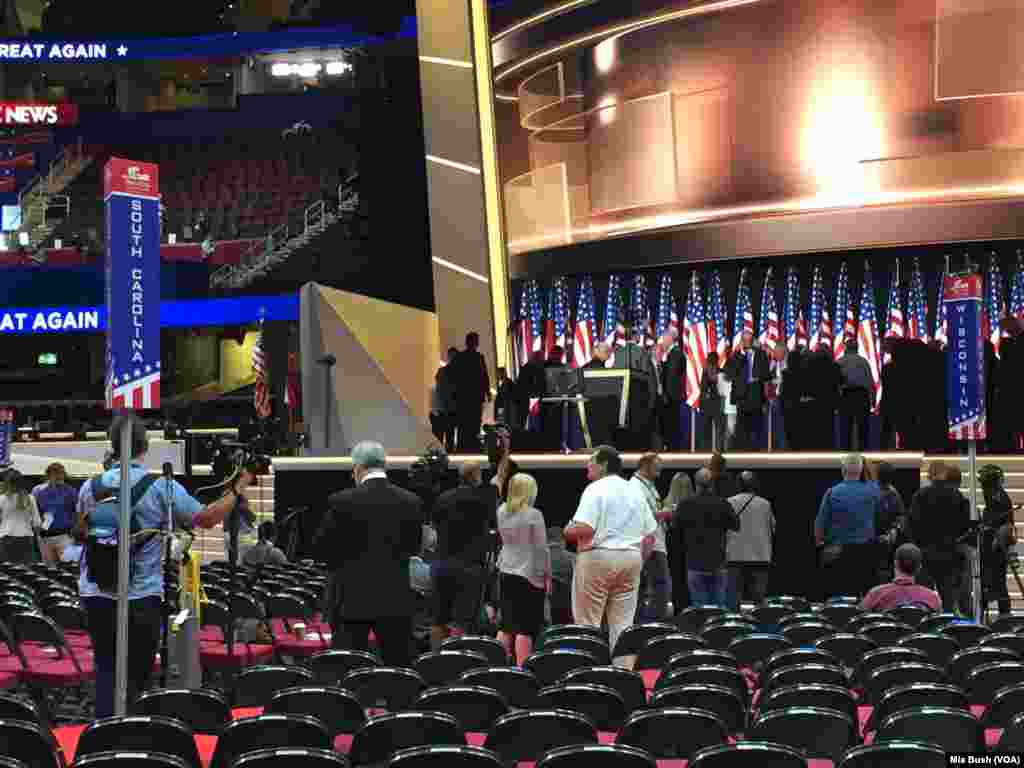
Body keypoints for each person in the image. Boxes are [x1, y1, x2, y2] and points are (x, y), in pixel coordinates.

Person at [76, 412, 252, 718]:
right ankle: (138, 734)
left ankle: (105, 735)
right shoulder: (161, 487)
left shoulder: (88, 488)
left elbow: (80, 532)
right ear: (145, 447)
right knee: (140, 674)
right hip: (141, 595)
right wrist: (238, 489)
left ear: (112, 445)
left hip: (96, 592)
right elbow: (208, 518)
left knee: (105, 667)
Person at [314, 441, 424, 665]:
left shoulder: (341, 501)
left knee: (348, 669)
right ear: (384, 465)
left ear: (357, 468)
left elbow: (321, 549)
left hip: (351, 601)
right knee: (399, 671)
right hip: (396, 599)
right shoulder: (411, 502)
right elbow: (414, 547)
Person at [564, 445, 656, 660]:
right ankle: (623, 676)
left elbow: (585, 528)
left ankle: (587, 672)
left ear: (603, 465)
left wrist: (566, 530)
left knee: (587, 623)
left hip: (598, 557)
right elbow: (650, 536)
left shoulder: (595, 488)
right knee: (623, 626)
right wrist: (638, 561)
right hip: (631, 558)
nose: (588, 465)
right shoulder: (635, 490)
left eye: (591, 461)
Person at [430, 461, 497, 647]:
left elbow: (435, 527)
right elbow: (494, 525)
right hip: (470, 567)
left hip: (441, 565)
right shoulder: (484, 499)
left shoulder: (443, 498)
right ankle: (459, 662)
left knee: (438, 619)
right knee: (463, 622)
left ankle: (435, 660)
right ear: (477, 476)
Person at [496, 473, 551, 664]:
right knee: (524, 629)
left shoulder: (501, 510)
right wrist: (546, 576)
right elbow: (541, 549)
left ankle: (498, 666)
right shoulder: (534, 515)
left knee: (506, 626)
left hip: (505, 571)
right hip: (528, 576)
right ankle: (522, 670)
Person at [906, 461, 972, 613]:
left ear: (930, 475)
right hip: (950, 555)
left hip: (926, 555)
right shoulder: (957, 496)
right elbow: (964, 527)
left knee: (924, 600)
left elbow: (911, 523)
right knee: (948, 601)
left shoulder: (920, 495)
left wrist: (918, 543)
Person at [814, 453, 881, 599]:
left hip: (838, 552)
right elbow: (881, 517)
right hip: (866, 552)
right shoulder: (873, 491)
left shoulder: (832, 493)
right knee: (864, 595)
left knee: (839, 594)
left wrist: (820, 543)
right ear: (861, 469)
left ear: (843, 470)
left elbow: (820, 523)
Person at [673, 468, 739, 606]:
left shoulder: (685, 504)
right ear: (712, 484)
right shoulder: (722, 503)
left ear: (695, 484)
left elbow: (675, 527)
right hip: (718, 562)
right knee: (719, 608)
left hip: (694, 562)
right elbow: (736, 526)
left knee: (699, 608)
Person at [630, 453, 672, 622]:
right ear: (645, 466)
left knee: (652, 586)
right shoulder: (634, 486)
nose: (659, 472)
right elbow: (640, 515)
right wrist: (664, 513)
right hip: (648, 543)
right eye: (657, 468)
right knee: (660, 585)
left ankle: (645, 622)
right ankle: (652, 624)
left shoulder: (648, 485)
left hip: (655, 541)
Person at [725, 471, 775, 609]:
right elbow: (773, 527)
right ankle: (762, 627)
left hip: (735, 555)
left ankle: (732, 626)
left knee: (733, 597)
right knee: (759, 598)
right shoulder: (765, 504)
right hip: (760, 555)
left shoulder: (729, 502)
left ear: (738, 485)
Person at [861, 543, 942, 611]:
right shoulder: (933, 598)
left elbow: (858, 621)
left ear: (895, 563)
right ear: (919, 567)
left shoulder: (876, 594)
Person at [725, 330, 771, 450]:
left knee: (756, 427)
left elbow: (766, 377)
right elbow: (729, 374)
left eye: (748, 340)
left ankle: (756, 452)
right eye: (744, 340)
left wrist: (766, 398)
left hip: (756, 394)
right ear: (741, 341)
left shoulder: (761, 354)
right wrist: (739, 354)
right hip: (742, 396)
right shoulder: (736, 355)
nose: (746, 342)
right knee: (742, 427)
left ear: (752, 341)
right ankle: (742, 451)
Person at [980, 464, 1015, 617]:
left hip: (996, 548)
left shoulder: (999, 498)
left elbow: (1005, 525)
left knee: (998, 583)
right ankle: (999, 613)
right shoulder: (995, 495)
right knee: (993, 583)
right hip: (992, 546)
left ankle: (1004, 615)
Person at [452, 333, 491, 452]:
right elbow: (484, 376)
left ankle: (462, 447)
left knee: (464, 423)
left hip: (463, 398)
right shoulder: (479, 357)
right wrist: (487, 392)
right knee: (473, 423)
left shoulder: (459, 357)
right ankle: (473, 446)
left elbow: (453, 377)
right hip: (474, 397)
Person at [33, 463, 77, 565]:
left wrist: (74, 531)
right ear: (48, 475)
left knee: (68, 567)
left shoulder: (70, 491)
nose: (59, 476)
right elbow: (34, 513)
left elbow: (77, 512)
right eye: (56, 473)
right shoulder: (37, 491)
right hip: (45, 537)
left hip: (65, 535)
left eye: (61, 473)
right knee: (50, 570)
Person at [664, 471, 694, 611]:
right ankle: (690, 610)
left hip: (673, 547)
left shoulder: (666, 505)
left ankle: (677, 610)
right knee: (690, 580)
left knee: (676, 579)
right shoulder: (693, 505)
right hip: (691, 546)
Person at [837, 338, 874, 451]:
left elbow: (837, 383)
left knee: (845, 428)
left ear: (845, 348)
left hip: (846, 396)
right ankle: (863, 452)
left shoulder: (840, 362)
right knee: (863, 428)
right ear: (857, 348)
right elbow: (869, 382)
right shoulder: (864, 362)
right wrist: (871, 398)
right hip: (861, 395)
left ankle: (845, 453)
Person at [0, 471, 41, 563]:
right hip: (26, 538)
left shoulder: (2, 499)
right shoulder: (30, 498)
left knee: (7, 571)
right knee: (26, 571)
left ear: (7, 483)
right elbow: (37, 522)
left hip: (6, 537)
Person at [660, 331, 685, 450]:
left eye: (663, 340)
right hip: (671, 396)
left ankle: (673, 451)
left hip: (671, 397)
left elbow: (671, 376)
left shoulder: (675, 354)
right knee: (670, 426)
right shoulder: (672, 354)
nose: (662, 343)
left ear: (670, 340)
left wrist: (666, 395)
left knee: (672, 426)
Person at [547, 526, 575, 625]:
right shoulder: (573, 559)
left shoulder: (535, 559)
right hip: (569, 614)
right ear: (563, 541)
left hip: (543, 615)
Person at [699, 352, 725, 451]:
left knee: (709, 429)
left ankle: (708, 450)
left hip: (712, 403)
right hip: (713, 404)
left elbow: (702, 387)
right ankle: (717, 450)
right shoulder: (708, 372)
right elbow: (703, 387)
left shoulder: (707, 372)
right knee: (715, 429)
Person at [434, 347, 459, 451]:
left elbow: (439, 389)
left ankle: (445, 453)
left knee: (447, 434)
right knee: (448, 434)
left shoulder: (442, 372)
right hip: (448, 408)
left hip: (448, 408)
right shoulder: (458, 373)